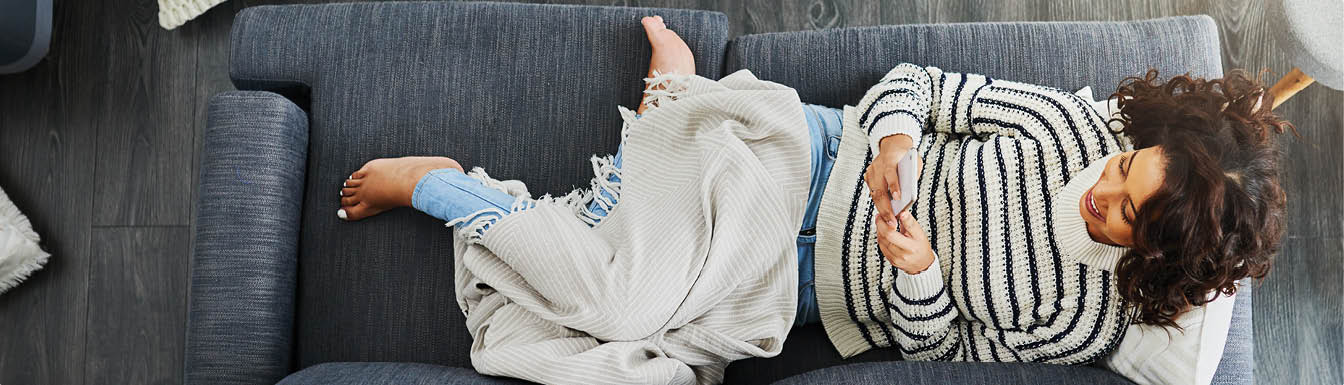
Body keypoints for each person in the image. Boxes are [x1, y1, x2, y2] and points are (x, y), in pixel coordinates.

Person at [335, 16, 1292, 365]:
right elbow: (916, 84)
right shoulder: (1073, 128)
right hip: (811, 161)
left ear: (1152, 254)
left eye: (1126, 213)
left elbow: (942, 343)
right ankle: (448, 190)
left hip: (797, 292)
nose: (1102, 193)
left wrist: (917, 273)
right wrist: (897, 138)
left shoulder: (1087, 318)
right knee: (621, 295)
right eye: (1125, 170)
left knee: (616, 340)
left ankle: (669, 97)